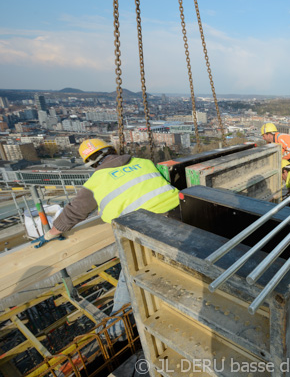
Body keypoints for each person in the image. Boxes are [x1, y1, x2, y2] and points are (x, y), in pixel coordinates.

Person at [31, 138, 180, 336]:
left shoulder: (95, 182)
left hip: (146, 234)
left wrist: (50, 234)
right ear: (113, 151)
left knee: (131, 278)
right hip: (181, 219)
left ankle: (114, 333)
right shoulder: (143, 162)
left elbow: (73, 212)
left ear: (90, 164)